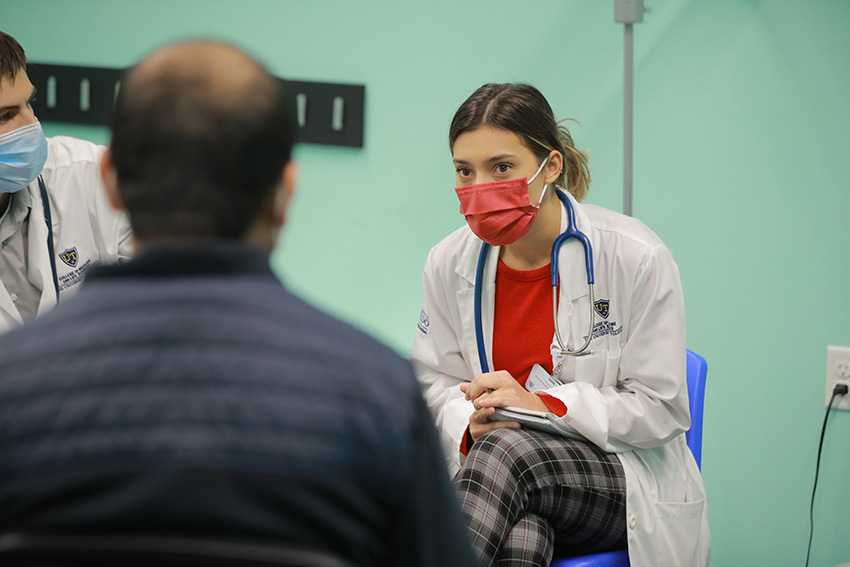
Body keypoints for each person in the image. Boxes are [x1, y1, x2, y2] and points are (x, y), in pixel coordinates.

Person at [0, 40, 476, 567]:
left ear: (109, 183)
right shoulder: (376, 393)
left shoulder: (12, 385)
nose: (25, 125)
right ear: (286, 190)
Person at [410, 83, 710, 567]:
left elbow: (661, 409)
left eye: (502, 168)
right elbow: (433, 385)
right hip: (507, 480)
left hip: (616, 480)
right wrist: (470, 423)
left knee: (509, 450)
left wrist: (543, 406)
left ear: (551, 167)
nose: (479, 187)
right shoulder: (449, 262)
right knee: (524, 538)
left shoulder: (634, 256)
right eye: (465, 171)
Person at [0, 30, 131, 333]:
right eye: (5, 116)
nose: (32, 126)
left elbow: (162, 299)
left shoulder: (91, 175)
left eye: (28, 104)